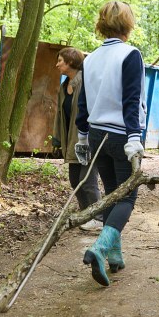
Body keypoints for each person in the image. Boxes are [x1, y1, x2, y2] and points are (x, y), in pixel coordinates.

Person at [75, 1, 147, 287]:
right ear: (128, 24)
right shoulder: (130, 55)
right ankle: (101, 247)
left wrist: (82, 136)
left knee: (111, 195)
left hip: (95, 134)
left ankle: (114, 255)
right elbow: (131, 100)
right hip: (120, 136)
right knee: (127, 196)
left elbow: (83, 102)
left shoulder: (89, 58)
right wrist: (134, 137)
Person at [53, 47, 103, 231]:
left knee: (88, 179)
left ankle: (98, 217)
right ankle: (86, 214)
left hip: (87, 138)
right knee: (75, 179)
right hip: (72, 140)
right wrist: (57, 138)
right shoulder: (64, 84)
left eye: (60, 60)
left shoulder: (84, 82)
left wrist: (89, 136)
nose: (57, 64)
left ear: (71, 62)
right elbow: (61, 115)